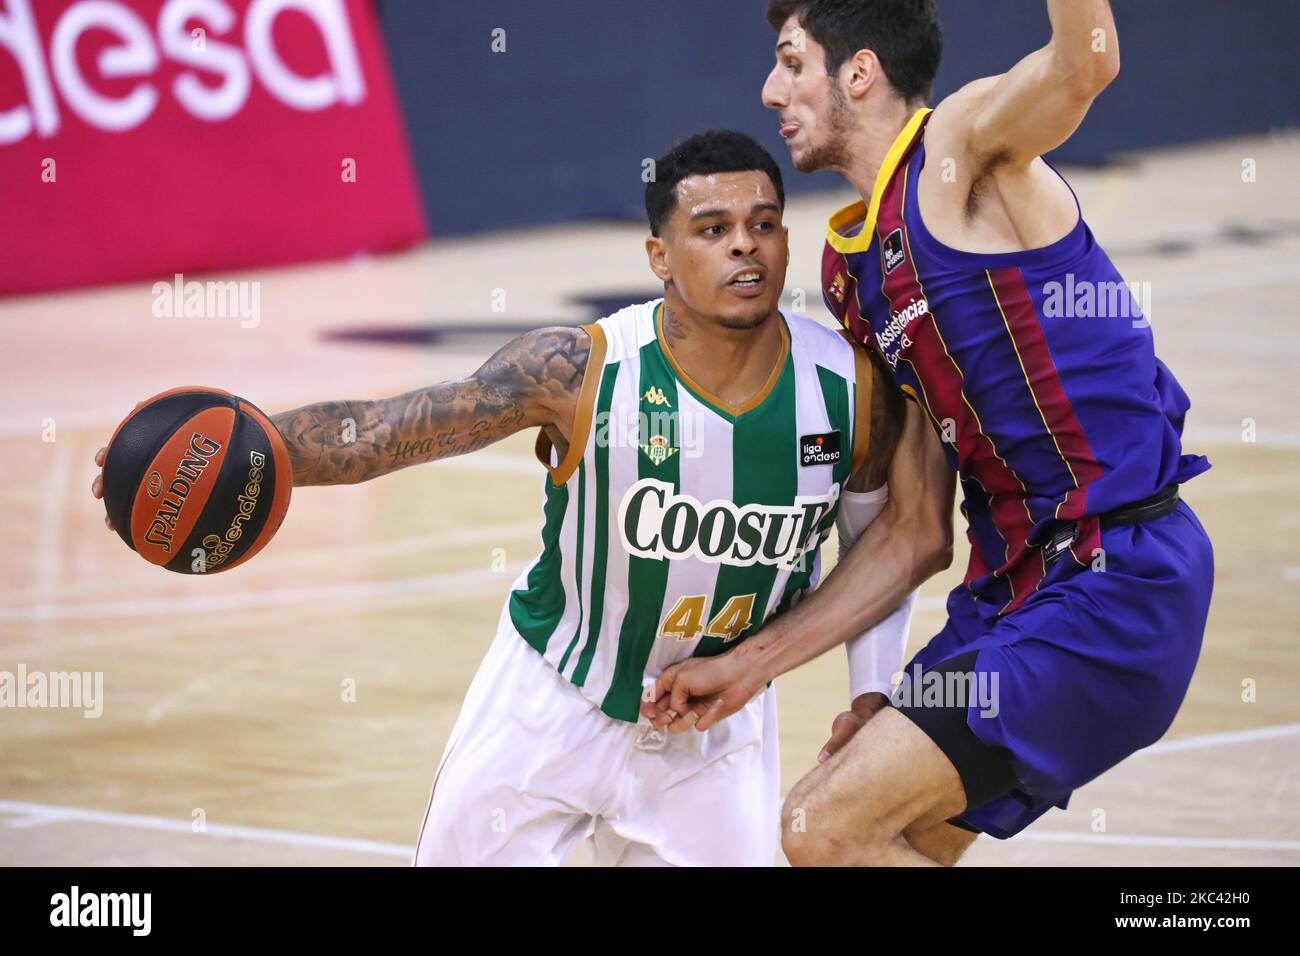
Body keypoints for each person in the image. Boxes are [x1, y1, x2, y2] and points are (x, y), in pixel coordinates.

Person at [92, 130, 914, 866]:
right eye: (713, 230)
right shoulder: (582, 369)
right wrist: (234, 446)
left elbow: (884, 552)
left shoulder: (850, 391)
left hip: (715, 735)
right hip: (551, 703)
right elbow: (387, 431)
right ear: (659, 256)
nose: (747, 248)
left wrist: (870, 698)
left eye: (764, 224)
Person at [642, 0, 1214, 867]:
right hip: (1009, 601)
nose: (769, 90)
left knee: (823, 828)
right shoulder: (851, 272)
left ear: (859, 72)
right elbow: (914, 533)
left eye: (792, 63)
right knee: (880, 837)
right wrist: (752, 663)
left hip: (1117, 580)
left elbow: (1085, 62)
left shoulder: (961, 150)